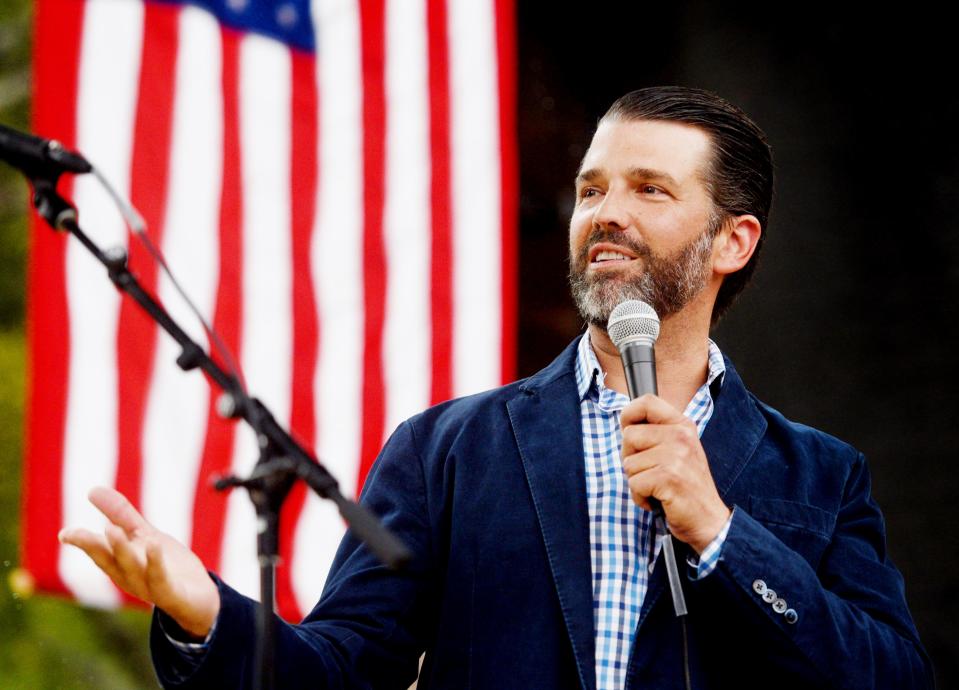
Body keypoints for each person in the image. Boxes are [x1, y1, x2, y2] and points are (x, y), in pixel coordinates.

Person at [60, 86, 934, 689]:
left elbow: (889, 676)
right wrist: (203, 609)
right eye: (592, 188)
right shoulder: (448, 450)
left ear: (732, 241)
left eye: (649, 189)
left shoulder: (820, 476)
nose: (605, 212)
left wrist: (720, 535)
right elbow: (341, 669)